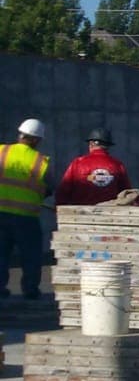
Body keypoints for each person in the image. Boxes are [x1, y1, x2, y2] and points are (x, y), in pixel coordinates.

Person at [0, 118, 55, 300]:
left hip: (1, 214)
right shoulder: (40, 162)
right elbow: (48, 188)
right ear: (36, 140)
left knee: (1, 254)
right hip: (26, 217)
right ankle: (30, 290)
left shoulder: (2, 152)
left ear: (20, 134)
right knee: (31, 256)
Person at [56, 127, 133, 207]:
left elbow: (63, 191)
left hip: (80, 215)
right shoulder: (117, 165)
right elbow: (126, 194)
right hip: (109, 215)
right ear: (108, 146)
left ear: (91, 144)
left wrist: (60, 207)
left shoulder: (78, 163)